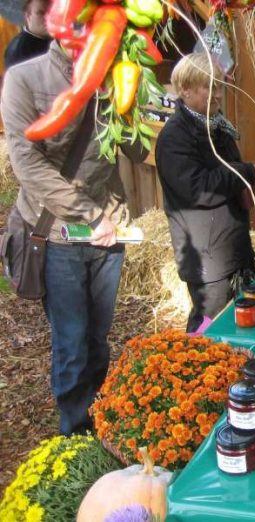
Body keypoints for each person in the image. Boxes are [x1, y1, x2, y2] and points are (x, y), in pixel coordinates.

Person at [1, 41, 130, 435]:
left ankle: (102, 425)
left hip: (107, 233)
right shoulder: (25, 78)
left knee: (98, 337)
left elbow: (138, 149)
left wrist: (125, 102)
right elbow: (28, 166)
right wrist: (90, 215)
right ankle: (75, 434)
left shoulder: (116, 74)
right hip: (57, 233)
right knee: (72, 343)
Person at [155, 53, 255, 333]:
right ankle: (195, 370)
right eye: (211, 87)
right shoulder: (174, 137)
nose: (218, 95)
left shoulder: (215, 127)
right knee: (208, 324)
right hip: (205, 255)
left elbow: (224, 173)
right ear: (185, 89)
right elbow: (198, 189)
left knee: (233, 322)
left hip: (228, 245)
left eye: (220, 87)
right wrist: (247, 173)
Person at [4, 0, 52, 69]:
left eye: (51, 12)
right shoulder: (18, 52)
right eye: (41, 13)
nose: (48, 18)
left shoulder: (56, 39)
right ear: (28, 15)